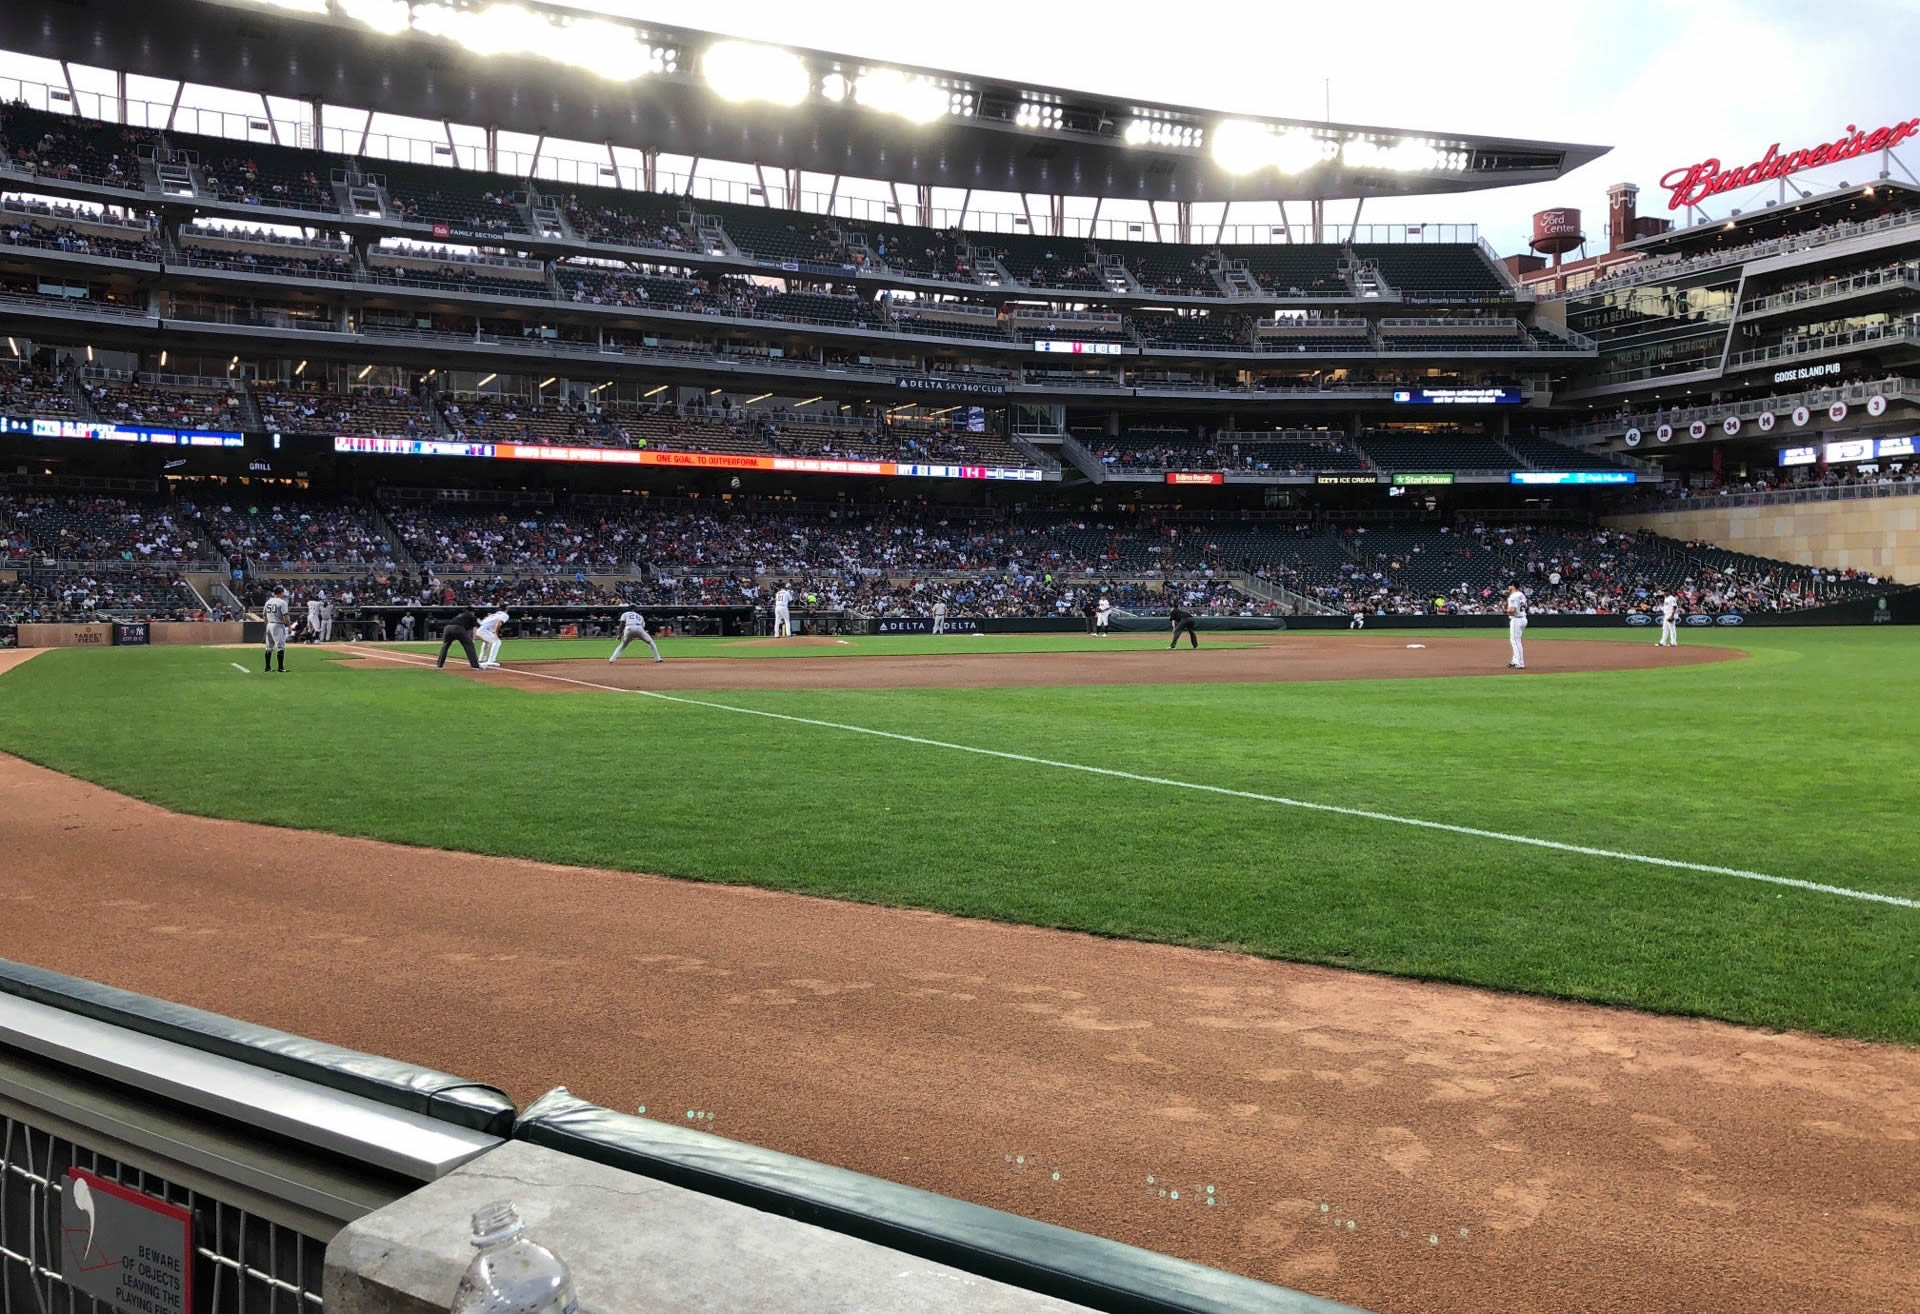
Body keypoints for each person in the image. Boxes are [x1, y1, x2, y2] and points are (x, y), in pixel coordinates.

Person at [263, 585, 289, 673]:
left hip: (269, 624)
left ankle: (267, 667)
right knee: (280, 647)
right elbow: (286, 616)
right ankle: (281, 667)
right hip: (278, 625)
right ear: (281, 593)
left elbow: (264, 616)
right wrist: (289, 626)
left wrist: (267, 626)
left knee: (269, 647)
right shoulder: (282, 602)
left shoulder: (268, 602)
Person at [1505, 581, 1528, 669]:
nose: (1508, 587)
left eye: (1509, 585)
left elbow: (1512, 610)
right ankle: (1515, 661)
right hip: (1523, 618)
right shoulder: (1521, 594)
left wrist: (1505, 610)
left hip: (1516, 619)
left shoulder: (1513, 596)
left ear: (1513, 586)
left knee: (1515, 641)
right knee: (1517, 641)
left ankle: (1519, 663)